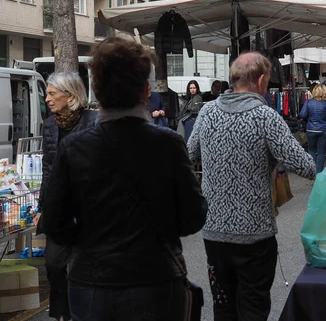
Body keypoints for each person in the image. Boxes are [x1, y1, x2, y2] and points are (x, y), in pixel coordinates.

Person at [43, 37, 207, 321]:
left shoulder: (75, 148)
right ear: (145, 91)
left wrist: (85, 240)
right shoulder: (167, 144)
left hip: (91, 282)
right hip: (155, 279)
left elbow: (54, 222)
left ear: (96, 89)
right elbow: (193, 216)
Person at [187, 52, 316, 321]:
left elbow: (187, 156)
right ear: (259, 79)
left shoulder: (207, 112)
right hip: (255, 235)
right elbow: (306, 167)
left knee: (223, 307)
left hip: (215, 232)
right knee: (253, 308)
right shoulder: (265, 117)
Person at [37, 72, 97, 321]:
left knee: (82, 266)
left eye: (52, 93)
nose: (47, 99)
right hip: (58, 208)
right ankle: (62, 312)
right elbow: (48, 168)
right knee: (53, 264)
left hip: (88, 209)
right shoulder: (49, 125)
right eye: (47, 93)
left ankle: (77, 314)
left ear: (69, 95)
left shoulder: (93, 121)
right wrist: (43, 206)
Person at [298, 84, 326, 173]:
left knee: (311, 150)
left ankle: (312, 171)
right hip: (323, 129)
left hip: (311, 129)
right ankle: (319, 173)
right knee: (321, 152)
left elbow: (302, 115)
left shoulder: (308, 102)